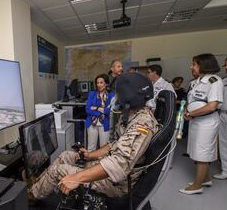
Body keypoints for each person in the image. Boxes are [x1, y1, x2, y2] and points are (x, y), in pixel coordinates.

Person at [26, 73, 158, 200]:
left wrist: (76, 178)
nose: (115, 97)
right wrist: (90, 155)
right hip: (109, 167)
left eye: (118, 94)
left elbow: (118, 165)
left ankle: (31, 195)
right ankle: (39, 183)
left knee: (56, 170)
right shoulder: (131, 115)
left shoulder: (142, 124)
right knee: (66, 155)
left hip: (116, 184)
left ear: (128, 97)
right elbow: (113, 144)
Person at [180, 54, 224, 195]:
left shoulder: (214, 81)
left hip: (207, 123)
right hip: (196, 121)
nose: (191, 67)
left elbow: (212, 106)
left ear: (203, 65)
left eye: (194, 64)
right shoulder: (195, 82)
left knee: (202, 153)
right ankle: (205, 179)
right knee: (195, 150)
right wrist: (187, 111)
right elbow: (191, 101)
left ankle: (197, 186)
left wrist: (191, 114)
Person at [85, 74, 114, 151]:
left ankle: (101, 163)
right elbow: (88, 109)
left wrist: (95, 108)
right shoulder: (92, 94)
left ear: (106, 83)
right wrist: (101, 110)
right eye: (97, 83)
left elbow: (109, 111)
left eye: (101, 83)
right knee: (91, 148)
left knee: (103, 148)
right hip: (91, 123)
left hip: (105, 124)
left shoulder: (111, 95)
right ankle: (90, 163)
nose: (99, 85)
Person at [213, 57, 227, 180]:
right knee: (223, 143)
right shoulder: (223, 81)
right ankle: (225, 170)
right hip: (224, 114)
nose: (225, 67)